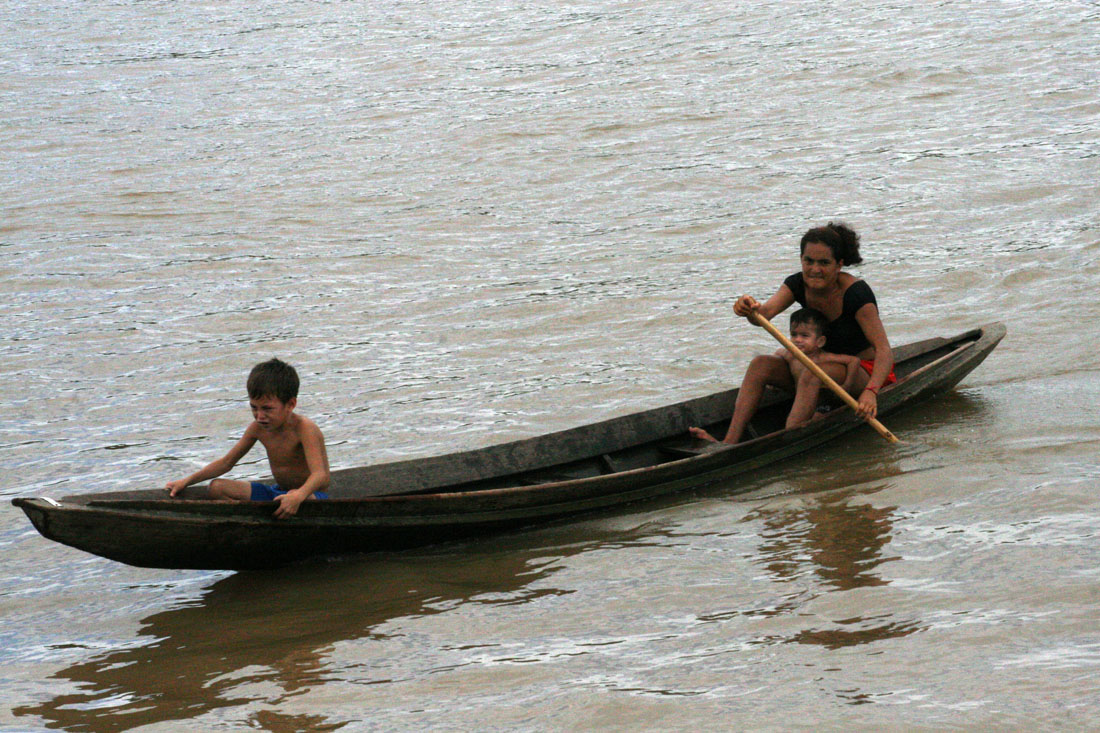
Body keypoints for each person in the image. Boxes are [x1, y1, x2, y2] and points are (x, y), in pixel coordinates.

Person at [691, 222, 895, 445]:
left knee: (811, 373)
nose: (814, 269)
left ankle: (789, 441)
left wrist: (871, 392)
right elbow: (763, 315)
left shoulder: (856, 294)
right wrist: (747, 309)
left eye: (824, 263)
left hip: (863, 372)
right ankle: (728, 443)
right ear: (801, 260)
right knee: (761, 364)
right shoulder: (797, 283)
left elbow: (884, 350)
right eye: (809, 261)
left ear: (839, 265)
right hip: (819, 367)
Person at [166, 358, 331, 518]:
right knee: (217, 488)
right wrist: (186, 481)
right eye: (254, 408)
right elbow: (226, 463)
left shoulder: (304, 428)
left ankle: (277, 511)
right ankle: (254, 519)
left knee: (298, 497)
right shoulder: (257, 429)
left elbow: (319, 475)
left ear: (290, 405)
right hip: (278, 491)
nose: (259, 416)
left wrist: (298, 496)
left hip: (310, 495)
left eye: (267, 409)